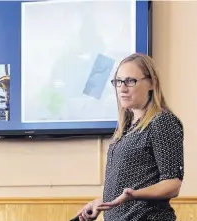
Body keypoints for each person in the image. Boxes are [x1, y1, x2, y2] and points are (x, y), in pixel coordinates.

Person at [77, 53, 184, 221]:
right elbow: (126, 185)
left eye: (130, 81)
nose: (122, 88)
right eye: (118, 81)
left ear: (151, 82)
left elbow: (172, 184)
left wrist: (134, 195)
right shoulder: (126, 127)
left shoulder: (162, 122)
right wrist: (101, 202)